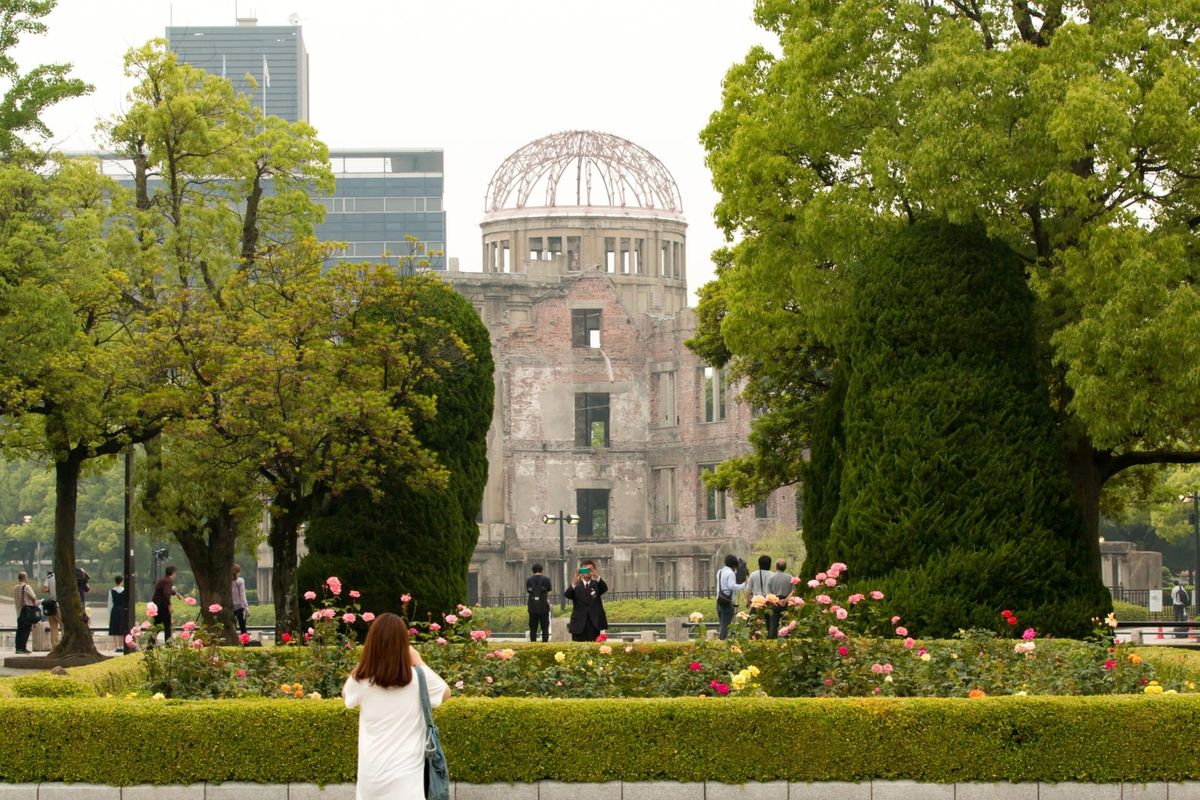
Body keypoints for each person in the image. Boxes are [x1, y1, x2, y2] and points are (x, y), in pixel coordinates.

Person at [343, 612, 450, 800]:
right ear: (403, 644)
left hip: (371, 777)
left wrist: (366, 662)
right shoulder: (417, 678)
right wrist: (419, 661)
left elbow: (346, 697)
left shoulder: (361, 680)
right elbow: (445, 693)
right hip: (406, 779)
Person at [564, 559, 608, 642]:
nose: (587, 571)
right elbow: (567, 594)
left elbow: (605, 588)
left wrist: (596, 575)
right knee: (578, 649)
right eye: (584, 569)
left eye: (589, 569)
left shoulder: (597, 584)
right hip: (578, 623)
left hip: (594, 623)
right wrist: (574, 583)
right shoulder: (576, 585)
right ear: (581, 571)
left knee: (594, 648)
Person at [716, 553, 746, 640]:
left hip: (719, 600)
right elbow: (732, 586)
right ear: (734, 565)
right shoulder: (731, 573)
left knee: (721, 624)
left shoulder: (720, 572)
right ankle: (721, 643)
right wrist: (744, 584)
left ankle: (720, 641)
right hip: (727, 602)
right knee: (726, 626)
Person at [151, 566, 184, 641]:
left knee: (157, 625)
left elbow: (167, 590)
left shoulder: (162, 580)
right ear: (173, 573)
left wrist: (176, 593)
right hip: (163, 605)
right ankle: (168, 645)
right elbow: (166, 594)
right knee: (167, 625)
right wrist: (169, 606)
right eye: (175, 573)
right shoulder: (169, 581)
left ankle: (150, 645)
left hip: (157, 605)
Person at [765, 559, 794, 639]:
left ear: (776, 566)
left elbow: (768, 593)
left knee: (773, 626)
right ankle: (786, 644)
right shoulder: (790, 578)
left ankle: (772, 645)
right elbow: (793, 591)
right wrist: (785, 600)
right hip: (787, 603)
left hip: (774, 603)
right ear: (785, 567)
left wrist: (777, 600)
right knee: (787, 626)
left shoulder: (771, 578)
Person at [12, 572, 40, 654]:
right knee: (26, 630)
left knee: (19, 630)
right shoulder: (26, 587)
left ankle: (18, 648)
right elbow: (33, 597)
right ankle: (23, 648)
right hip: (26, 612)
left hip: (19, 611)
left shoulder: (15, 587)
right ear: (24, 577)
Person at [525, 563, 552, 642]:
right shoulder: (546, 579)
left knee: (533, 628)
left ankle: (533, 644)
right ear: (541, 570)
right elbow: (548, 593)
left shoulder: (529, 580)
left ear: (533, 571)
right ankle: (545, 645)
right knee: (545, 627)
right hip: (544, 607)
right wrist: (547, 601)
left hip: (532, 607)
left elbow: (529, 592)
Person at [41, 572, 60, 650]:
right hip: (60, 605)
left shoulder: (50, 577)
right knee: (63, 626)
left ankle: (54, 647)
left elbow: (44, 589)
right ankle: (63, 646)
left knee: (53, 627)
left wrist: (50, 590)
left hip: (51, 605)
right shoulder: (65, 576)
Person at [107, 575, 127, 652]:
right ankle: (122, 646)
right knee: (122, 628)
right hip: (122, 610)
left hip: (114, 610)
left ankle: (117, 647)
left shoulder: (111, 591)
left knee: (115, 629)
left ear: (115, 582)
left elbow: (110, 604)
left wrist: (109, 615)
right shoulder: (125, 591)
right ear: (122, 581)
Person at [232, 564, 249, 635]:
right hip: (240, 607)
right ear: (239, 572)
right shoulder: (241, 581)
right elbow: (242, 595)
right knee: (243, 627)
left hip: (230, 607)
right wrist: (246, 607)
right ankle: (245, 643)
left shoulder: (227, 581)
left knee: (231, 626)